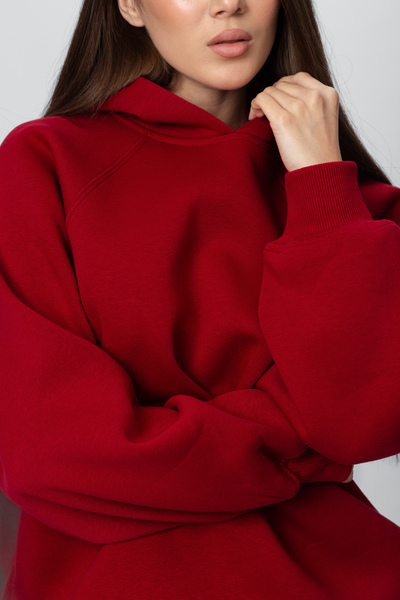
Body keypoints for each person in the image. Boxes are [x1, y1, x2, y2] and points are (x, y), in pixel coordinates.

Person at [0, 0, 399, 598]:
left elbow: (360, 425)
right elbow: (49, 455)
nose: (227, 4)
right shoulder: (45, 165)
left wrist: (320, 178)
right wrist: (305, 445)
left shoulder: (357, 210)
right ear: (130, 6)